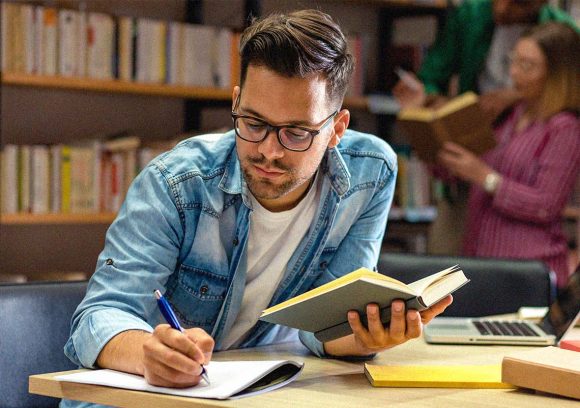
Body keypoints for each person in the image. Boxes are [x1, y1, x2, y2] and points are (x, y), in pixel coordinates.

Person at [62, 9, 452, 401]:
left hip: (257, 394)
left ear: (337, 129)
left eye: (296, 133)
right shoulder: (176, 182)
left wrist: (366, 337)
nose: (268, 150)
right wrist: (148, 354)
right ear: (236, 101)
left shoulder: (370, 174)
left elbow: (323, 328)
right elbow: (97, 318)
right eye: (253, 123)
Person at [437, 22, 580, 289]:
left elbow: (546, 205)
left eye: (527, 66)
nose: (514, 73)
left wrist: (486, 177)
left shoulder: (565, 128)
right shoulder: (510, 114)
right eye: (513, 61)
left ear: (558, 75)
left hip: (527, 271)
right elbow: (468, 172)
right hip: (482, 263)